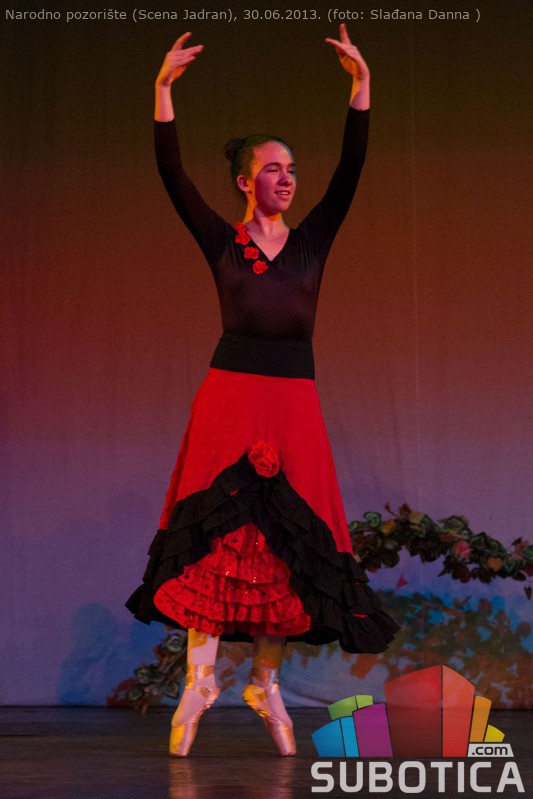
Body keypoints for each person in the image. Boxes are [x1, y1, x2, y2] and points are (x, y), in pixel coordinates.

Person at [126, 25, 399, 758]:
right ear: (246, 182)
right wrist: (162, 91)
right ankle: (201, 678)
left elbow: (351, 169)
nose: (287, 178)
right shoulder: (224, 242)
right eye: (272, 169)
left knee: (284, 539)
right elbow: (172, 176)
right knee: (218, 533)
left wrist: (360, 88)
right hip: (230, 396)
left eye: (291, 169)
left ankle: (264, 682)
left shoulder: (310, 243)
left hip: (293, 401)